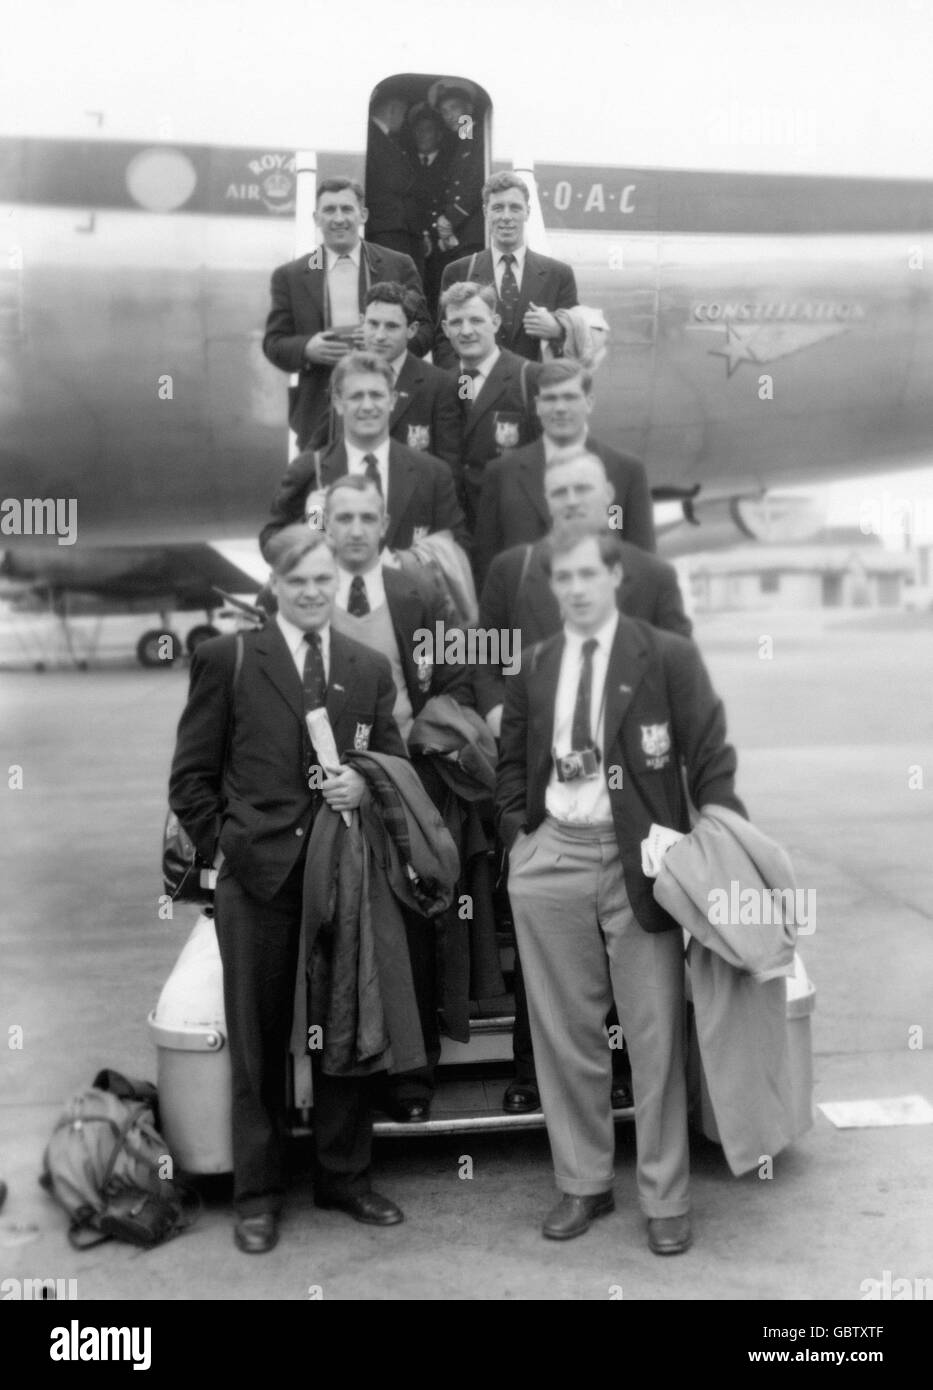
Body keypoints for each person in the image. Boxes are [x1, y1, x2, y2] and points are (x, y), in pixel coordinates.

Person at [496, 528, 745, 1250]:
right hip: (553, 859)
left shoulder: (663, 655)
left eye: (586, 574)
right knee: (564, 1034)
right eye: (561, 578)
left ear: (614, 576)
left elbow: (710, 756)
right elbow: (510, 758)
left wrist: (721, 846)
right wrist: (521, 833)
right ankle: (583, 1184)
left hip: (640, 861)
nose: (574, 588)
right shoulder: (537, 664)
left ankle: (665, 1196)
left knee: (653, 1035)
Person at [168, 526, 410, 1254]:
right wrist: (232, 852)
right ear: (273, 583)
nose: (311, 592)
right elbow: (191, 779)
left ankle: (343, 1177)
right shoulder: (228, 659)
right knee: (258, 1042)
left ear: (337, 581)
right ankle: (258, 1194)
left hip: (341, 876)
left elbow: (394, 765)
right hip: (259, 883)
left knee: (345, 1028)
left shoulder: (368, 669)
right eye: (297, 580)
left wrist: (362, 783)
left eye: (322, 580)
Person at [476, 451, 692, 1115]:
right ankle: (529, 1072)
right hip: (545, 797)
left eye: (583, 491)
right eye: (559, 491)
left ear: (608, 502)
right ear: (547, 500)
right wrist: (499, 721)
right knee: (547, 955)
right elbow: (484, 655)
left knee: (629, 945)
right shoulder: (513, 570)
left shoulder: (649, 575)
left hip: (626, 796)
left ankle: (621, 1070)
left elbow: (680, 676)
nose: (571, 500)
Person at [324, 475, 474, 1120]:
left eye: (367, 517)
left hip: (404, 784)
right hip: (322, 793)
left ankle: (414, 1077)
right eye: (343, 517)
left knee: (412, 929)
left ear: (384, 524)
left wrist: (406, 756)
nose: (355, 529)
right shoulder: (305, 595)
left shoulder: (417, 593)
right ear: (324, 526)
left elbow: (460, 677)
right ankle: (348, 1077)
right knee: (339, 931)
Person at [261, 177, 431, 451]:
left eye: (347, 209)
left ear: (362, 215)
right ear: (316, 217)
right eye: (329, 210)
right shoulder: (291, 276)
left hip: (391, 406)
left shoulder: (397, 265)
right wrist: (307, 348)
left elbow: (424, 331)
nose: (338, 218)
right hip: (319, 411)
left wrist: (387, 346)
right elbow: (273, 343)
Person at [259, 351, 468, 556]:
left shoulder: (432, 473)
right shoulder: (308, 470)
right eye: (356, 396)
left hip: (403, 590)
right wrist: (315, 521)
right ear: (338, 403)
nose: (367, 406)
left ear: (393, 400)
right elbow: (270, 544)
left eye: (376, 395)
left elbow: (456, 549)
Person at [473, 359, 655, 585]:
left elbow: (643, 565)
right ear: (538, 405)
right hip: (527, 613)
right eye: (550, 398)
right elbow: (486, 565)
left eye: (570, 397)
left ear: (589, 403)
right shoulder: (501, 474)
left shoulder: (626, 471)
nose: (560, 408)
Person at [434, 173, 578, 369]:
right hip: (477, 393)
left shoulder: (559, 275)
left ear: (527, 212)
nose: (506, 217)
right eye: (498, 208)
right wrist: (465, 392)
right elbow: (445, 344)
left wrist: (557, 330)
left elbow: (579, 341)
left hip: (534, 391)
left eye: (515, 208)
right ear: (486, 212)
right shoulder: (458, 271)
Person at [439, 281, 541, 531]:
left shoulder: (529, 378)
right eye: (456, 322)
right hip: (460, 529)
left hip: (514, 528)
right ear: (445, 329)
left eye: (476, 320)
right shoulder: (444, 384)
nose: (466, 331)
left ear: (495, 322)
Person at [359, 281, 462, 472]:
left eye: (391, 326)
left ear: (412, 330)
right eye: (373, 324)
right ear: (361, 321)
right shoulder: (345, 378)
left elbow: (448, 468)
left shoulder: (439, 386)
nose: (380, 336)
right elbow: (326, 454)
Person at [365, 88, 422, 268]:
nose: (403, 120)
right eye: (403, 114)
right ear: (392, 110)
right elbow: (395, 180)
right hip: (387, 227)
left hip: (400, 227)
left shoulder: (385, 138)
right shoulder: (374, 136)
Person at [432, 83, 485, 272]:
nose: (449, 116)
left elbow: (475, 183)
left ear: (469, 108)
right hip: (460, 232)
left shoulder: (481, 138)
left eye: (454, 108)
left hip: (471, 231)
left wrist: (450, 219)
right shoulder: (462, 141)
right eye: (445, 111)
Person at [407, 103, 452, 315]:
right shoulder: (404, 161)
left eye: (428, 129)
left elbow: (467, 137)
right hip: (413, 238)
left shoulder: (453, 160)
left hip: (444, 242)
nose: (421, 135)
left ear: (440, 135)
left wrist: (467, 116)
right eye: (418, 130)